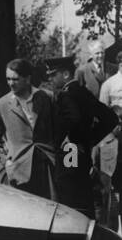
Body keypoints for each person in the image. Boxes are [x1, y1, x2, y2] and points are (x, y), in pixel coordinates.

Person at [46, 55, 118, 218]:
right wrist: (89, 140)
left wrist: (73, 138)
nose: (49, 78)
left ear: (65, 74)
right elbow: (110, 118)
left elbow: (74, 118)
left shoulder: (66, 95)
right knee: (82, 196)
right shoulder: (82, 91)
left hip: (69, 153)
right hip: (79, 152)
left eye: (53, 74)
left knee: (69, 197)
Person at [0, 58, 55, 198]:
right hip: (19, 172)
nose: (10, 83)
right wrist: (6, 160)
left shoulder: (47, 97)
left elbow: (59, 131)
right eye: (8, 79)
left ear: (28, 78)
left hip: (48, 167)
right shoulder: (0, 105)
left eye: (15, 79)